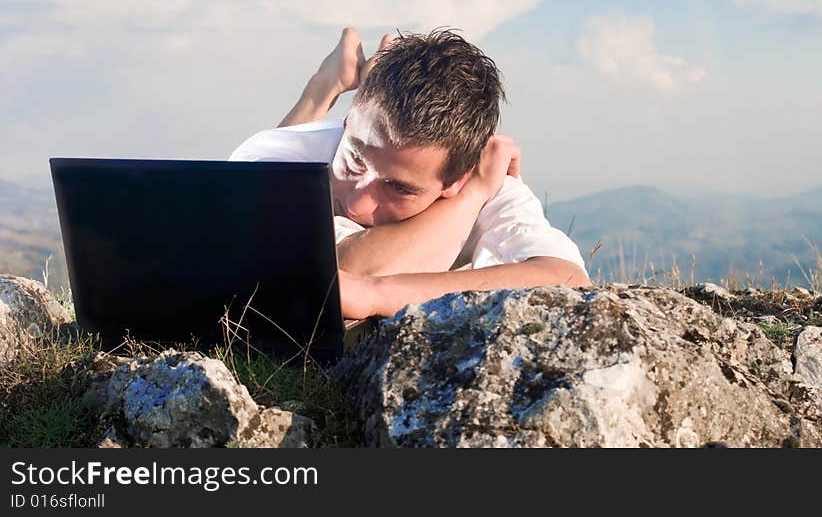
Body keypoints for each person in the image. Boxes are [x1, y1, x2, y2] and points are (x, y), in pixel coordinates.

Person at [229, 27, 590, 319]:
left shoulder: (484, 178)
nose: (357, 202)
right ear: (347, 122)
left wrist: (377, 295)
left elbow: (567, 278)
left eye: (398, 189)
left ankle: (356, 81)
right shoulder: (276, 156)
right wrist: (469, 199)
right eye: (354, 160)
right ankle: (325, 87)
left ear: (458, 179)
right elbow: (342, 269)